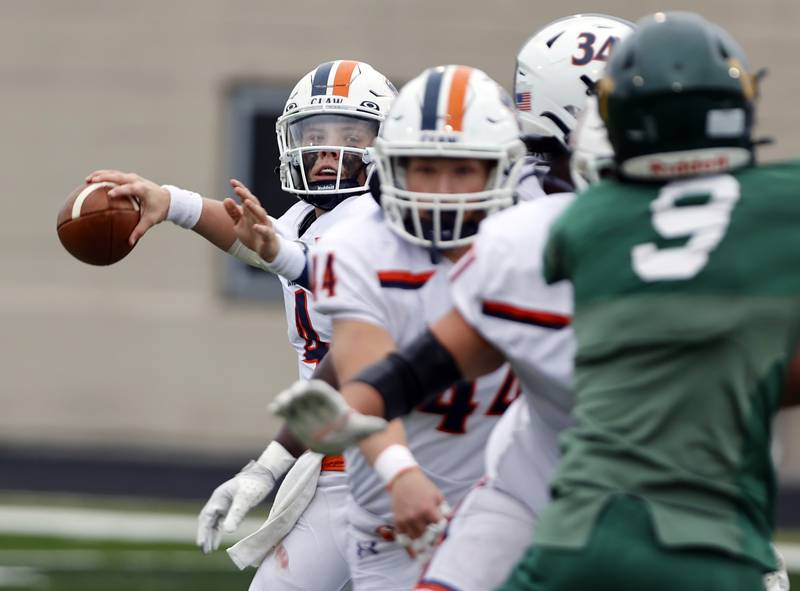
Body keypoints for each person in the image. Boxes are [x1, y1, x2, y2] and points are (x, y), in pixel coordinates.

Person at [87, 59, 396, 591]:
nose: (328, 151)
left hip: (393, 463)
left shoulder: (384, 222)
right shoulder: (306, 219)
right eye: (315, 136)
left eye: (350, 137)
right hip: (331, 465)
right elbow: (256, 241)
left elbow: (323, 274)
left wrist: (279, 255)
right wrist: (171, 202)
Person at [301, 64, 526, 590]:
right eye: (425, 168)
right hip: (390, 520)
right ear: (392, 169)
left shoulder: (537, 245)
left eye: (463, 170)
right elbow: (371, 379)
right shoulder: (354, 246)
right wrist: (400, 472)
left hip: (512, 502)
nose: (443, 190)